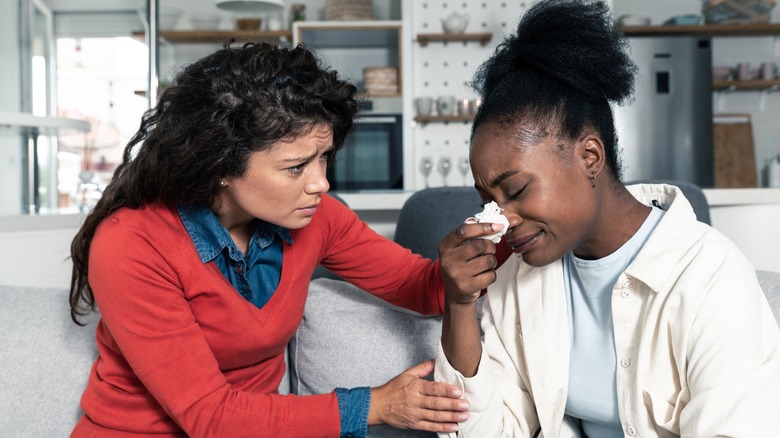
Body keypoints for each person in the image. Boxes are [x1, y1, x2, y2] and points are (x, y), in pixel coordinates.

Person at [67, 42, 494, 437]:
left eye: (324, 158)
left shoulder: (317, 218)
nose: (321, 183)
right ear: (219, 164)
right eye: (296, 167)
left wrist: (504, 229)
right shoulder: (131, 244)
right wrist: (372, 406)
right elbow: (209, 415)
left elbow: (422, 287)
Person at [434, 0, 780, 436]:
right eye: (489, 199)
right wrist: (461, 304)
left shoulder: (710, 275)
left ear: (590, 156)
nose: (504, 219)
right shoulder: (514, 280)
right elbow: (484, 432)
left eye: (516, 190)